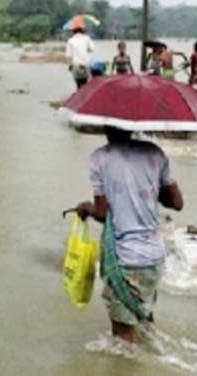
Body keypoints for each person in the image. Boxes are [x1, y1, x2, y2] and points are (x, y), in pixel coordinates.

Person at [75, 125, 184, 343]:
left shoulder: (99, 159)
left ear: (105, 125)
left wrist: (86, 208)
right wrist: (149, 186)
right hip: (154, 257)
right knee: (145, 320)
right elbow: (177, 202)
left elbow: (103, 213)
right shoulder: (154, 153)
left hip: (126, 258)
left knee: (123, 339)